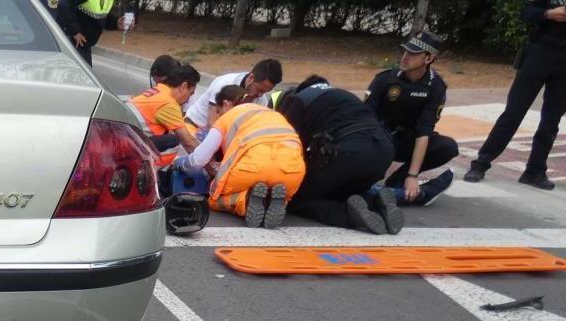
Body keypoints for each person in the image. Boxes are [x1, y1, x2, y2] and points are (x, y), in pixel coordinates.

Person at [276, 76, 405, 234]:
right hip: (384, 151)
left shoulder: (298, 101)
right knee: (342, 192)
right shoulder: (343, 96)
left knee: (295, 197)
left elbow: (290, 153)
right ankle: (376, 203)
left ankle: (347, 216)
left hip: (349, 153)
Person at [464, 1, 566, 190]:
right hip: (540, 52)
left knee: (551, 121)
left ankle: (534, 171)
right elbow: (527, 12)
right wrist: (549, 14)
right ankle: (481, 163)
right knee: (513, 113)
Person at [173, 85, 306, 229]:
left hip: (254, 168)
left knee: (214, 197)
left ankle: (246, 199)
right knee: (282, 188)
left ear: (225, 105)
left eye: (217, 112)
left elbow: (199, 160)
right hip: (292, 171)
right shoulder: (272, 114)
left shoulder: (226, 118)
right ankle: (270, 200)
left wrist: (181, 163)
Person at [365, 31, 458, 203]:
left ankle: (398, 181)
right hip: (379, 138)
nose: (405, 57)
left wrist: (412, 176)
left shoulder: (436, 86)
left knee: (448, 147)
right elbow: (364, 117)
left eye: (413, 53)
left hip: (408, 140)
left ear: (429, 59)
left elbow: (424, 130)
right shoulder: (385, 79)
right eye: (406, 51)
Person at [130, 61, 202, 163]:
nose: (187, 100)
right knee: (174, 142)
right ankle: (149, 173)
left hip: (127, 137)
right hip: (132, 145)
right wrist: (209, 166)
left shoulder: (159, 90)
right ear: (184, 86)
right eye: (190, 94)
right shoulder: (168, 103)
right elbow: (188, 142)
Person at [184, 59, 283, 129]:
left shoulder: (262, 101)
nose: (260, 95)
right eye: (259, 89)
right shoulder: (224, 84)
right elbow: (212, 123)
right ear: (251, 78)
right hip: (196, 125)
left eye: (265, 92)